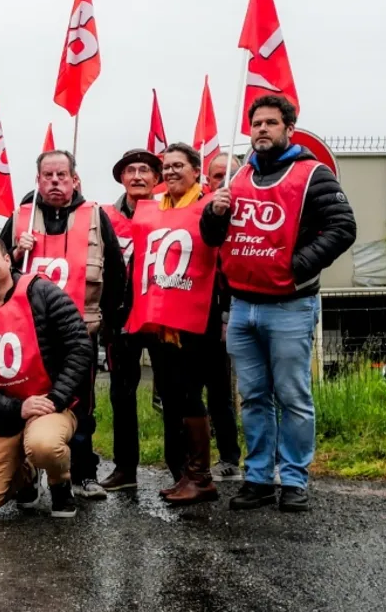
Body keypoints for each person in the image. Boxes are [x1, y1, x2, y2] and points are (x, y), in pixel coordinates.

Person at [203, 97, 356, 512]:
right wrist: (214, 215)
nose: (262, 129)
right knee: (253, 398)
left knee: (292, 396)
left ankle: (293, 479)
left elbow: (344, 227)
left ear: (290, 127)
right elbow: (212, 237)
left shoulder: (312, 174)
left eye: (271, 122)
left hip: (289, 306)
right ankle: (257, 478)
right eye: (256, 123)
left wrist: (297, 265)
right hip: (242, 307)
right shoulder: (237, 177)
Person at [0, 149, 126, 501]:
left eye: (61, 176)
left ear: (74, 179)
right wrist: (13, 252)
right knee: (28, 401)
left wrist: (111, 323)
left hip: (80, 334)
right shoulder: (20, 218)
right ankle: (29, 472)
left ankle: (84, 474)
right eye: (47, 176)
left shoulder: (96, 217)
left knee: (79, 406)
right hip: (29, 336)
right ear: (38, 180)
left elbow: (116, 272)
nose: (55, 182)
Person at [0, 235, 91, 519]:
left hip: (53, 405)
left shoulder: (42, 292)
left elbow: (79, 346)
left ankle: (60, 483)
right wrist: (17, 408)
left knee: (43, 445)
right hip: (6, 416)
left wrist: (55, 399)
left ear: (7, 259)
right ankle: (26, 476)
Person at [124, 143, 221, 505]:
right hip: (163, 319)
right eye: (166, 167)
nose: (170, 172)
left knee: (191, 393)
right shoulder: (155, 208)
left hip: (196, 317)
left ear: (196, 171)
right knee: (175, 395)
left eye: (178, 166)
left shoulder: (209, 204)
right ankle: (186, 473)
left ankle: (201, 476)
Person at [97, 148, 162, 493]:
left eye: (145, 170)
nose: (137, 176)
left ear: (156, 178)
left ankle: (182, 468)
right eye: (130, 170)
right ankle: (125, 469)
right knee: (121, 394)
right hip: (119, 318)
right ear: (121, 177)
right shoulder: (104, 216)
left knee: (174, 391)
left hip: (163, 314)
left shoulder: (170, 212)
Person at [204, 152, 243, 481]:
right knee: (199, 391)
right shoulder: (203, 211)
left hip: (231, 312)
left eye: (231, 174)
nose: (224, 181)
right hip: (196, 313)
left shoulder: (249, 212)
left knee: (224, 393)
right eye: (218, 176)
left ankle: (231, 457)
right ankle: (197, 459)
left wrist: (227, 315)